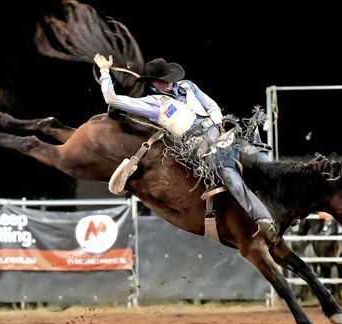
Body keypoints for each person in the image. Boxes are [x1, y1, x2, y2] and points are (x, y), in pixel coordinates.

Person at [93, 54, 276, 240]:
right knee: (228, 174)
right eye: (163, 81)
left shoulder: (188, 86)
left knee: (259, 156)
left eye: (170, 79)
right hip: (199, 145)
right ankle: (263, 218)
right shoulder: (153, 103)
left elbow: (211, 105)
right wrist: (104, 70)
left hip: (219, 131)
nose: (169, 83)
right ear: (154, 83)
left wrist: (219, 125)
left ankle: (280, 196)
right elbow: (112, 99)